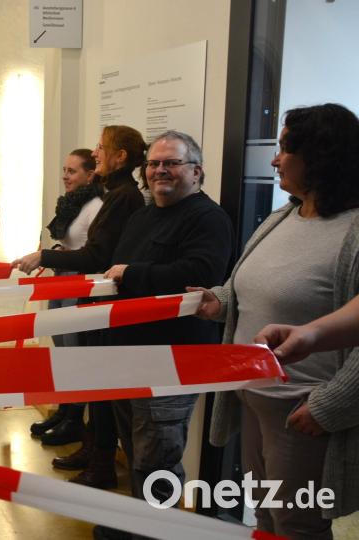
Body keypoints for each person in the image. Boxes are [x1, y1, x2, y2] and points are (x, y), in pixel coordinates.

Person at [197, 104, 359, 539]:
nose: (274, 159)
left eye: (286, 148)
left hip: (303, 410)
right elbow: (249, 286)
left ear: (321, 156)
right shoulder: (283, 216)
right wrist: (220, 300)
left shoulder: (353, 231)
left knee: (298, 526)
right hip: (255, 399)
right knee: (266, 518)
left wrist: (332, 404)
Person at [91, 131, 233, 540]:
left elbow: (201, 275)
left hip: (170, 360)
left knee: (158, 459)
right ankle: (139, 526)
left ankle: (160, 533)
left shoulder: (209, 218)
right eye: (153, 163)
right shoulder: (143, 215)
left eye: (171, 163)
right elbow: (115, 272)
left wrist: (133, 275)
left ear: (196, 171)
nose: (159, 171)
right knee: (135, 451)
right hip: (126, 355)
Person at [13, 125, 146, 488]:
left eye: (102, 148)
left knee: (98, 386)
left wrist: (44, 254)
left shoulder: (121, 197)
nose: (96, 151)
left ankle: (101, 462)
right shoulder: (115, 193)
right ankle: (94, 449)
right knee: (90, 380)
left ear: (120, 157)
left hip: (105, 302)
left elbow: (98, 253)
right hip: (96, 299)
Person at [29, 149, 102, 448]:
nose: (65, 176)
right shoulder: (72, 204)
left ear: (90, 175)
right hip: (61, 279)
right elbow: (71, 241)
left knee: (75, 355)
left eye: (72, 171)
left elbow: (92, 251)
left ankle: (74, 421)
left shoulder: (96, 206)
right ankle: (64, 410)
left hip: (78, 283)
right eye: (64, 169)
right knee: (61, 353)